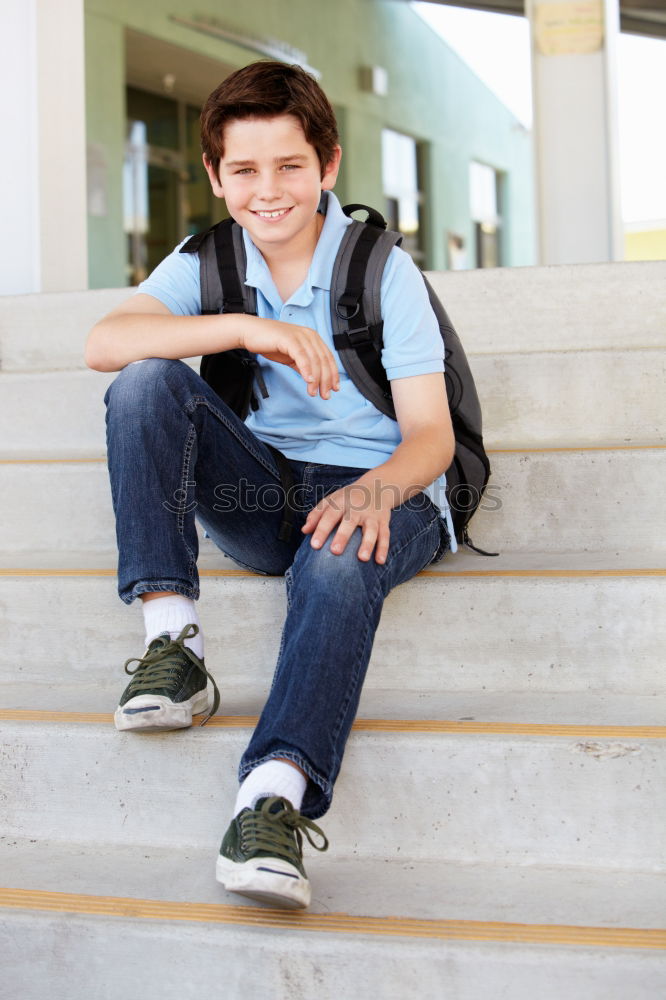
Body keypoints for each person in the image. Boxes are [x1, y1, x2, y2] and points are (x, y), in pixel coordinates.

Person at [85, 60, 455, 910]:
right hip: (267, 492)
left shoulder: (379, 266)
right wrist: (249, 327)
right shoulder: (211, 260)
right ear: (216, 176)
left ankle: (272, 802)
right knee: (143, 377)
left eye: (290, 166)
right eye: (244, 170)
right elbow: (105, 341)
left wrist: (375, 492)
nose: (269, 191)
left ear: (327, 165)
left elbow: (432, 437)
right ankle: (173, 643)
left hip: (387, 486)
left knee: (334, 557)